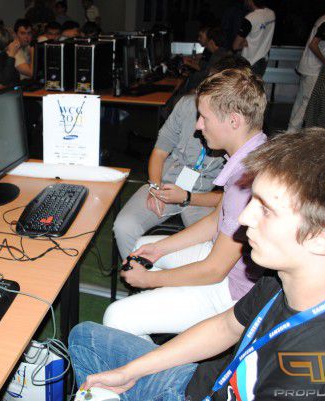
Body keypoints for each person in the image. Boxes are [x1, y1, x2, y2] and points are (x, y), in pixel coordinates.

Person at [70, 127, 325, 401]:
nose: (244, 217)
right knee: (84, 338)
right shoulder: (285, 277)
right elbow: (226, 326)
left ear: (322, 239)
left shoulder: (314, 375)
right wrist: (130, 371)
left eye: (266, 210)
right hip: (207, 383)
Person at [106, 67, 267, 337]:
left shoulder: (246, 180)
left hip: (232, 290)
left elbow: (214, 271)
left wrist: (149, 280)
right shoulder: (251, 153)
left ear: (234, 121)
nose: (198, 125)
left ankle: (154, 349)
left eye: (205, 117)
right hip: (224, 262)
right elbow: (215, 221)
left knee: (116, 316)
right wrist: (159, 248)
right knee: (143, 247)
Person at [113, 55, 251, 261]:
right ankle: (137, 274)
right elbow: (160, 151)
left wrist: (187, 197)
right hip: (168, 185)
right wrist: (155, 187)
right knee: (124, 226)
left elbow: (229, 198)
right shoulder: (188, 106)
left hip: (205, 198)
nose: (199, 125)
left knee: (211, 245)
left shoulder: (242, 138)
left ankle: (173, 277)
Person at [288, 5, 325, 131]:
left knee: (300, 101)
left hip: (306, 66)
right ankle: (293, 131)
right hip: (313, 68)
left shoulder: (321, 19)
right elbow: (313, 44)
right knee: (306, 102)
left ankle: (291, 131)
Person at [233, 0, 275, 77]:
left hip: (249, 63)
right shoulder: (271, 13)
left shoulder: (250, 18)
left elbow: (235, 46)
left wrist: (243, 43)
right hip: (263, 60)